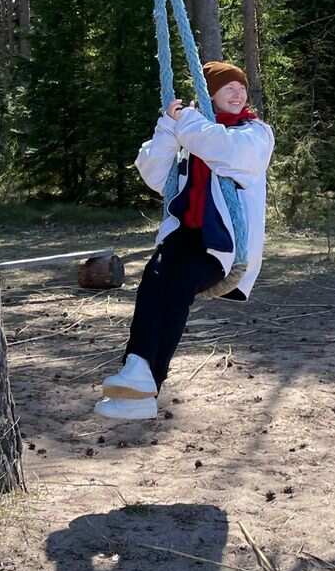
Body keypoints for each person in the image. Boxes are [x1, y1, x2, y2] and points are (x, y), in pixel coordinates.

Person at [95, 61, 275, 422]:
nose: (238, 93)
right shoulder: (191, 139)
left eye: (241, 87)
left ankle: (149, 381)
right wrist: (167, 126)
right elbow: (153, 172)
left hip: (222, 247)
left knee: (175, 287)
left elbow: (224, 150)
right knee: (152, 284)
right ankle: (137, 373)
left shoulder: (253, 133)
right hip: (184, 238)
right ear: (210, 96)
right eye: (228, 88)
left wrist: (185, 122)